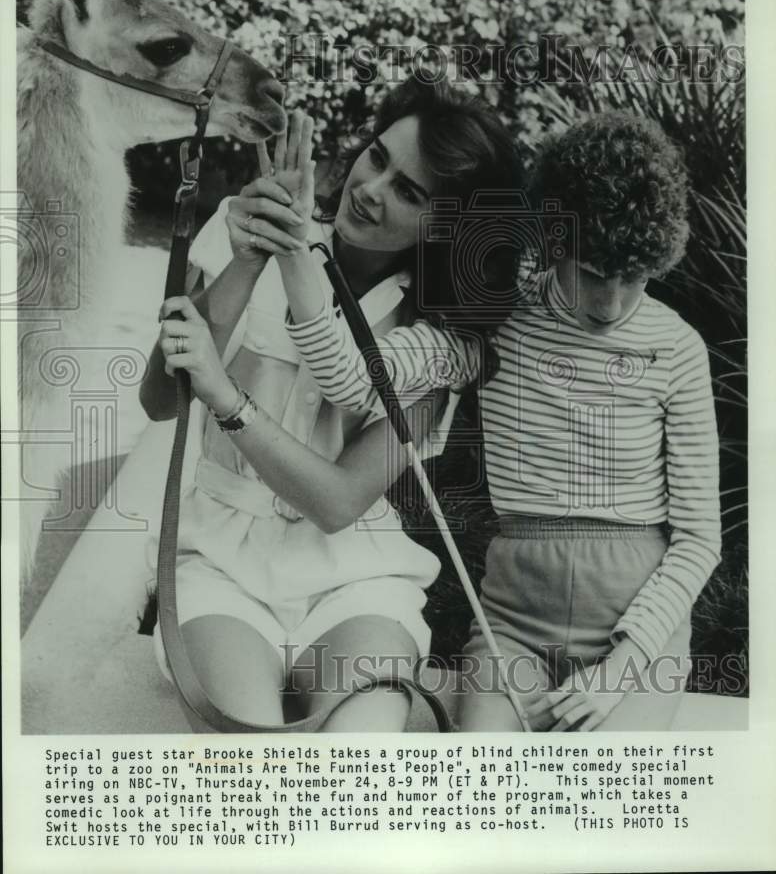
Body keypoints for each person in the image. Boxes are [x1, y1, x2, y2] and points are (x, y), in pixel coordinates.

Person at [282, 109, 722, 733]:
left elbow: (701, 539)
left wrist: (621, 669)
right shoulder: (496, 326)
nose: (614, 303)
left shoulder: (677, 348)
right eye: (596, 275)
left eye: (637, 277)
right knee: (484, 791)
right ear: (552, 239)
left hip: (635, 636)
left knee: (604, 809)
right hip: (512, 629)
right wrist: (296, 243)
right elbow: (354, 379)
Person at [139, 73, 523, 732]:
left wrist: (227, 394)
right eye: (378, 157)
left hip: (356, 579)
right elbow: (158, 399)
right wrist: (252, 256)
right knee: (250, 764)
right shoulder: (243, 231)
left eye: (408, 191)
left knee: (358, 761)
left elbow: (340, 501)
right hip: (218, 565)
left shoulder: (435, 338)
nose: (371, 190)